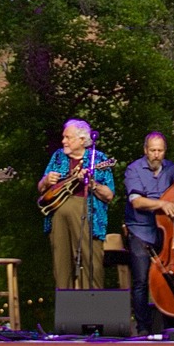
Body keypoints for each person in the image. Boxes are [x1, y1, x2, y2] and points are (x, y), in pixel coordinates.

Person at [37, 118, 115, 290]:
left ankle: (92, 312)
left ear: (82, 139)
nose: (63, 141)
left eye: (68, 137)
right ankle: (67, 313)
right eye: (63, 137)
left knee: (90, 264)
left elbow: (109, 195)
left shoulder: (98, 159)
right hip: (57, 215)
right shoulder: (58, 156)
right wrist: (46, 180)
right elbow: (41, 188)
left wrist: (91, 183)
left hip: (88, 214)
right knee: (61, 266)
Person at [122, 131, 174, 334]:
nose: (156, 154)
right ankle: (143, 329)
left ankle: (171, 327)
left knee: (170, 277)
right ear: (146, 150)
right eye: (152, 150)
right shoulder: (134, 169)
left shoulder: (173, 169)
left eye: (160, 150)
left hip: (166, 231)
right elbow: (137, 201)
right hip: (140, 229)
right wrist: (162, 204)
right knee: (141, 281)